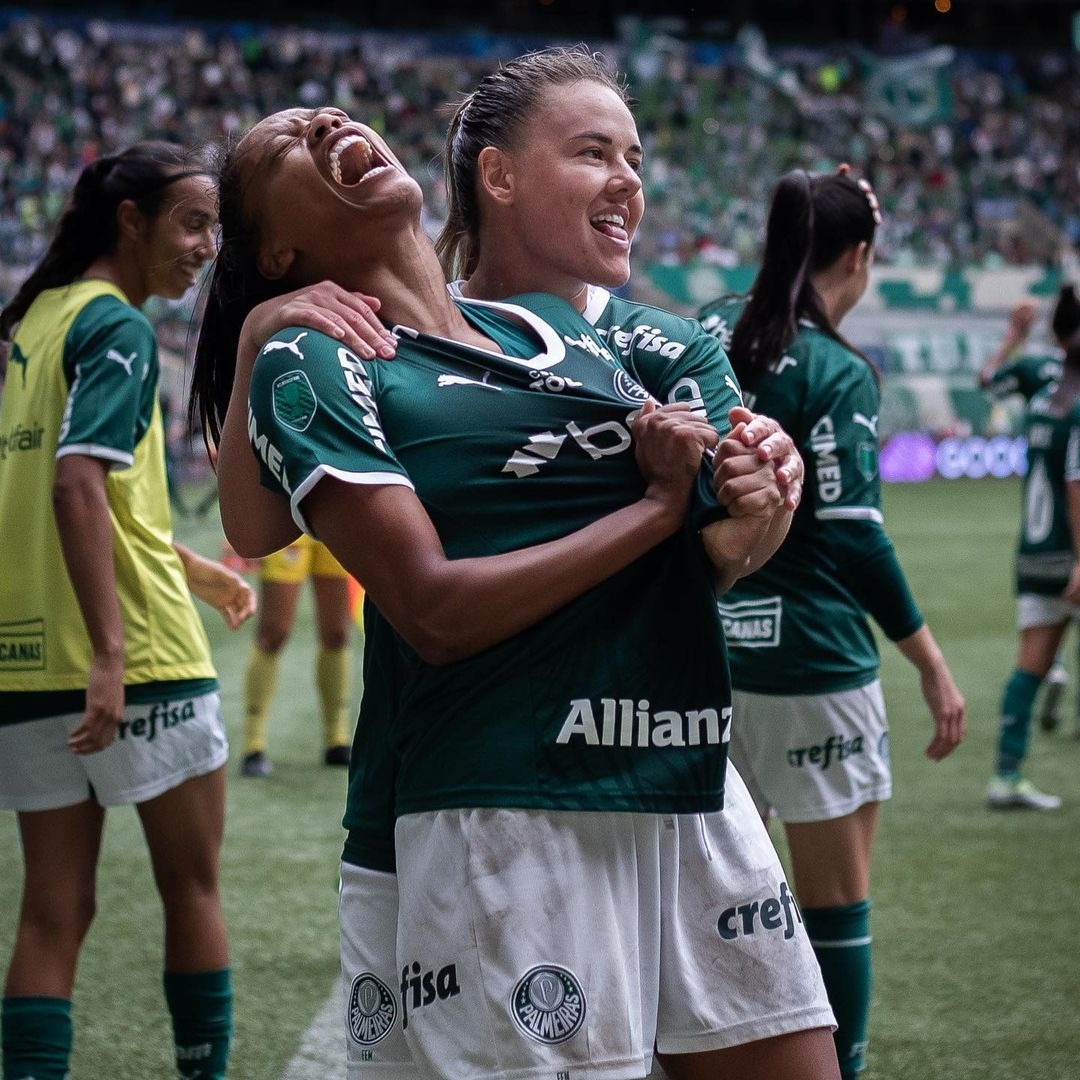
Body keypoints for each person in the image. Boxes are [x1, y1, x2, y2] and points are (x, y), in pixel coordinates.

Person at [189, 98, 841, 1080]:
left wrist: (758, 495)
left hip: (682, 772)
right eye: (284, 141)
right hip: (506, 796)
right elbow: (432, 610)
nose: (324, 123)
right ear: (274, 251)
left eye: (329, 115)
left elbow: (695, 565)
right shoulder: (316, 351)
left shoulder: (561, 326)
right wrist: (661, 510)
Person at [697, 167, 966, 1080]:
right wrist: (930, 661)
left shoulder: (707, 331)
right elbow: (855, 539)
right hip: (815, 671)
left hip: (708, 665)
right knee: (836, 907)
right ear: (859, 256)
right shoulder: (838, 368)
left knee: (714, 910)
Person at [0, 142, 255, 1080]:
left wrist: (192, 567)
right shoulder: (118, 327)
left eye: (214, 229)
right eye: (192, 224)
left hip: (26, 663)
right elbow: (75, 488)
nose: (204, 247)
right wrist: (111, 652)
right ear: (131, 221)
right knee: (192, 888)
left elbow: (82, 497)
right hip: (137, 658)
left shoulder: (38, 322)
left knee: (49, 912)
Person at [982, 285, 1080, 810]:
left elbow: (987, 383)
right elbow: (1078, 482)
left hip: (1035, 553)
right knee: (1035, 665)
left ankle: (1005, 776)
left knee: (1030, 668)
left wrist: (1013, 337)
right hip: (1074, 556)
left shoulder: (1041, 379)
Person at [240, 535, 354, 777]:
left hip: (338, 510)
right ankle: (253, 744)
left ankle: (337, 739)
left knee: (337, 632)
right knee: (274, 632)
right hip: (288, 515)